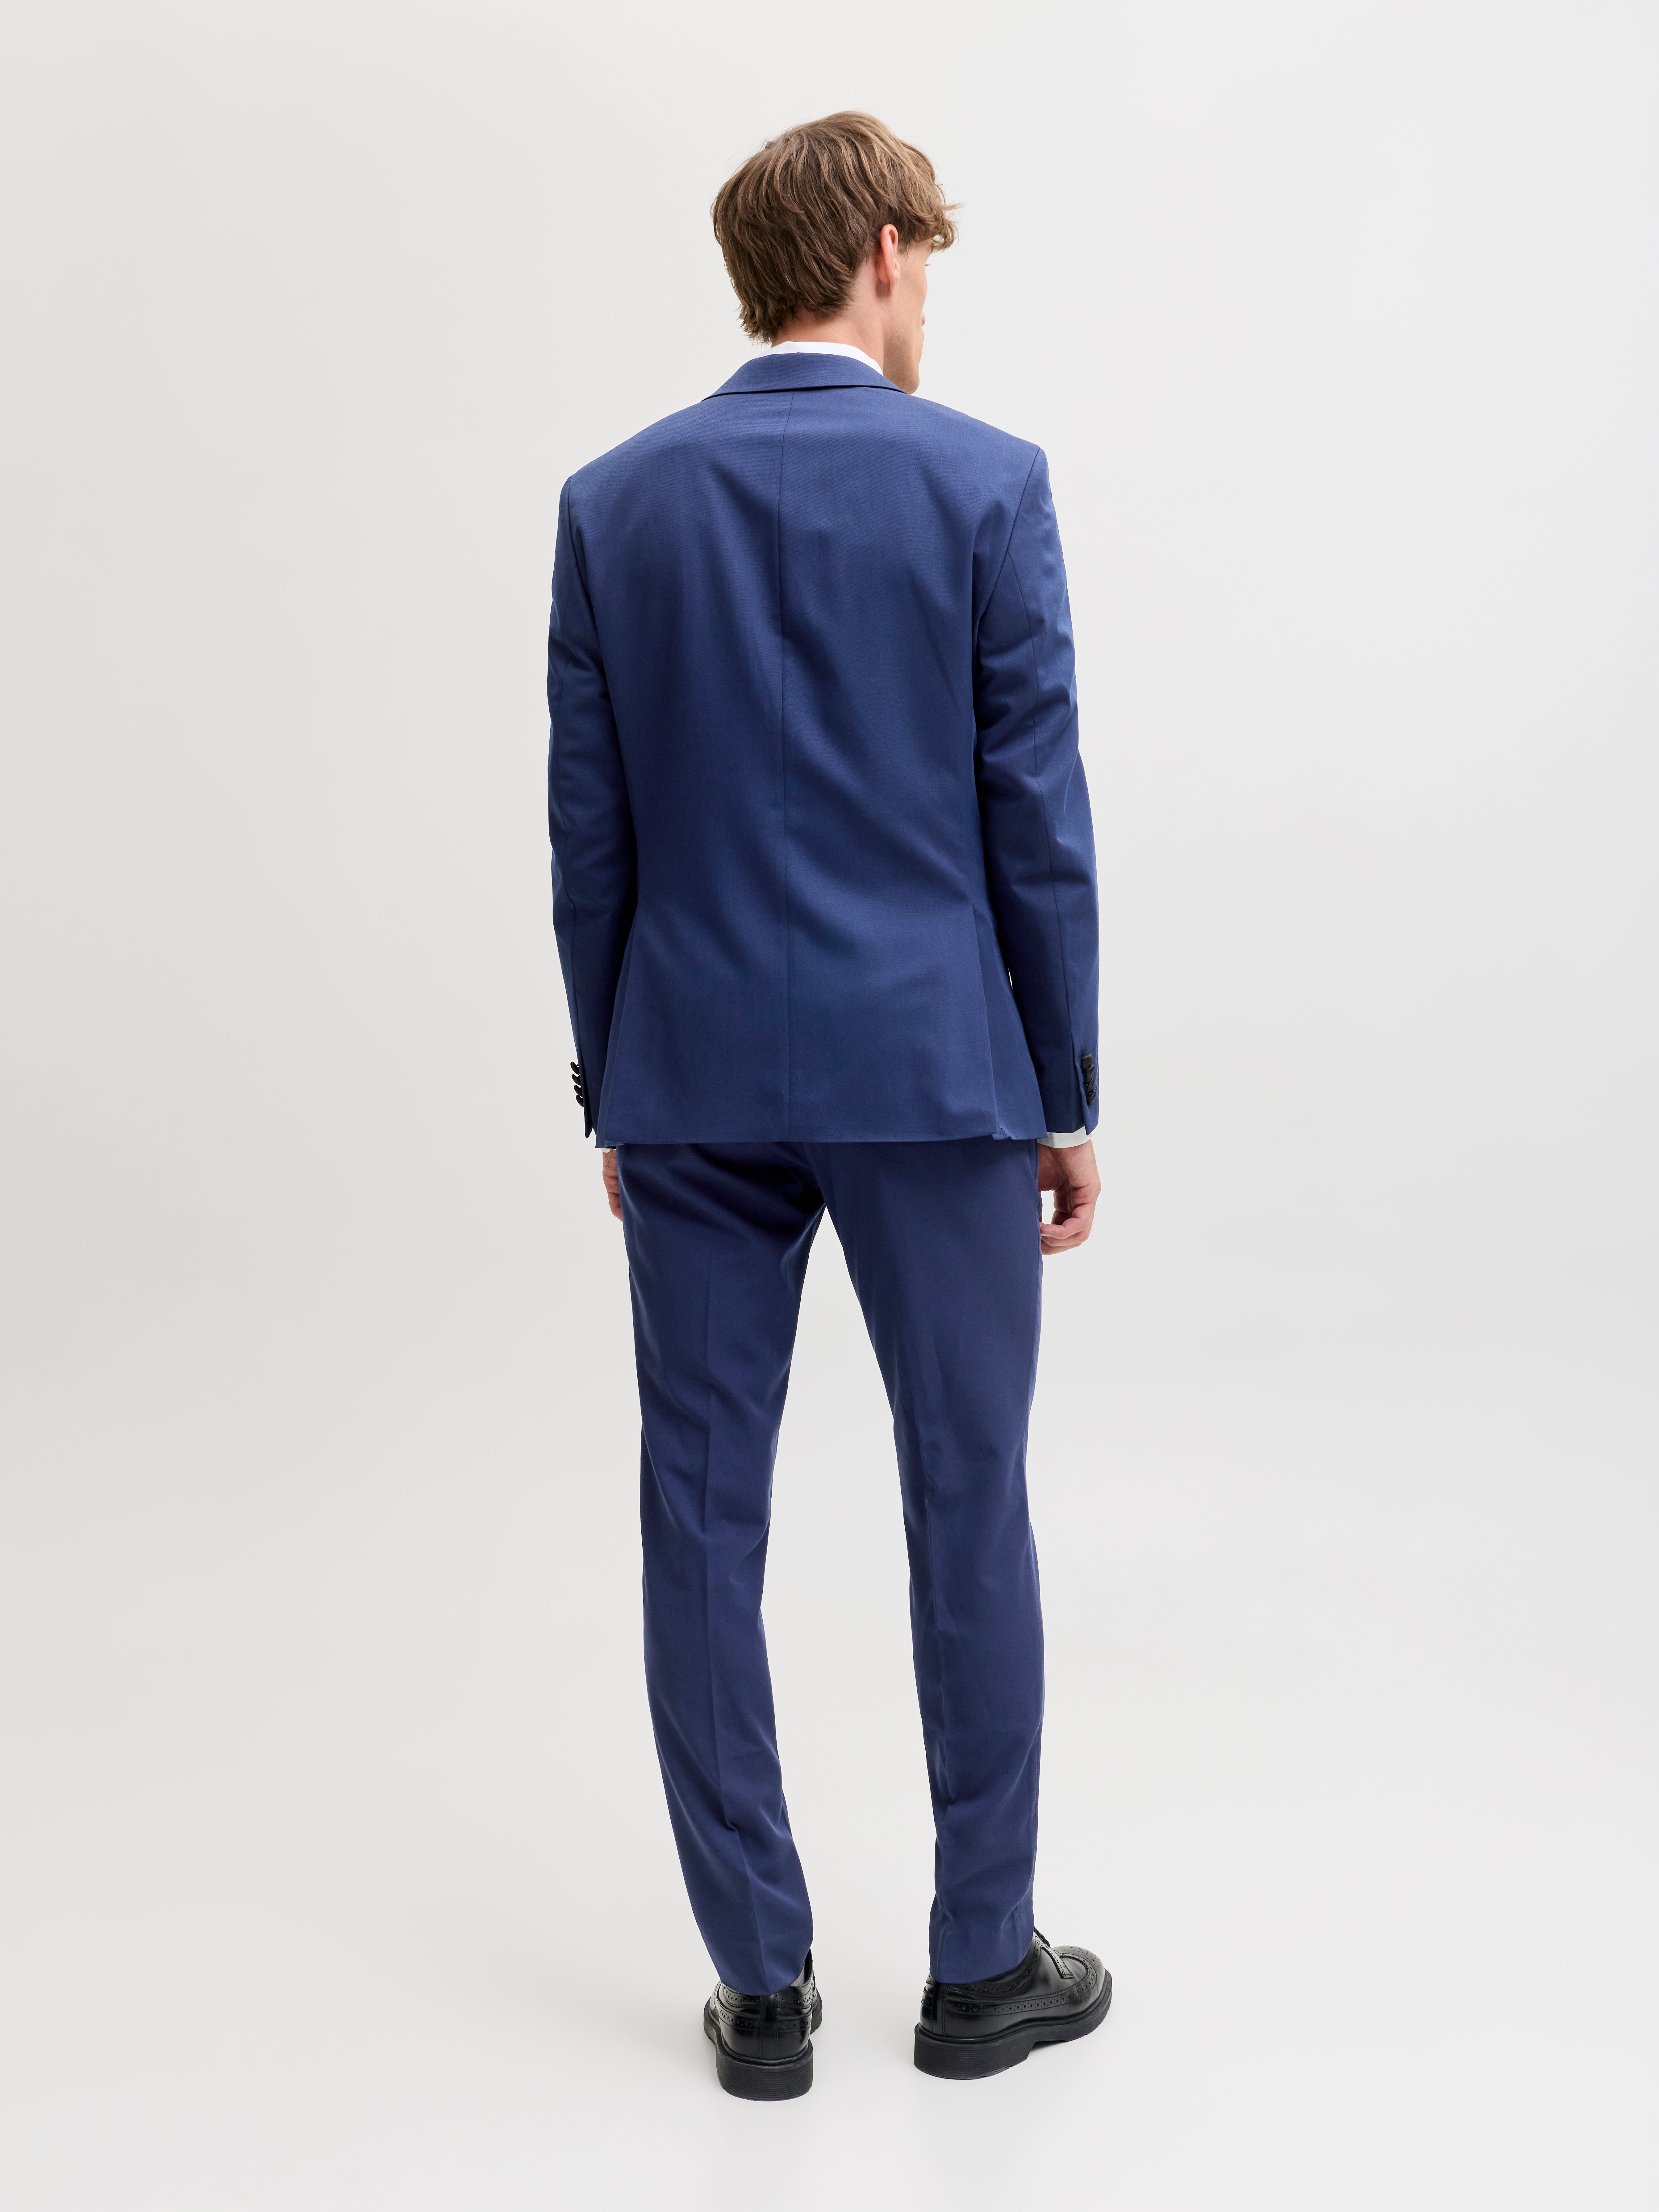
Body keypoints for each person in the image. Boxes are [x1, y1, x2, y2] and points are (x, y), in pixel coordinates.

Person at [546, 111, 1109, 2098]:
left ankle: (763, 1993)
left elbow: (591, 839)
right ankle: (980, 1970)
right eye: (926, 259)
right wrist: (1063, 1091)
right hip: (937, 1075)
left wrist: (616, 1088)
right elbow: (1034, 819)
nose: (928, 296)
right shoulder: (986, 483)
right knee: (968, 1493)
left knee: (700, 1515)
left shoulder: (614, 503)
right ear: (879, 251)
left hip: (691, 1072)